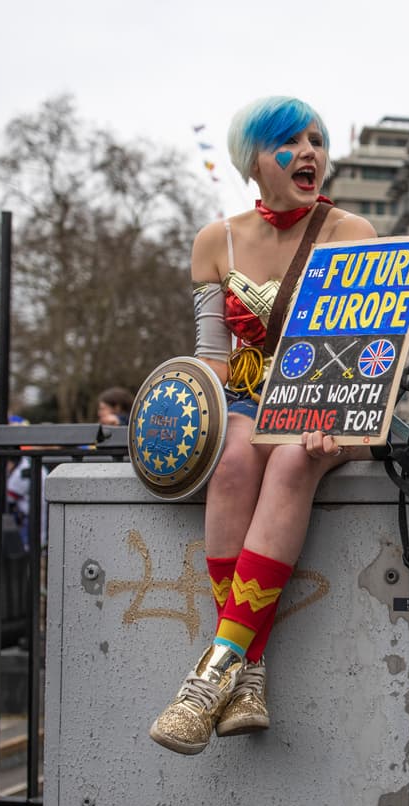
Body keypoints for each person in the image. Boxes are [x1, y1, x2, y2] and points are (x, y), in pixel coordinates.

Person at [149, 96, 377, 755]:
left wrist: (332, 413)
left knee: (288, 458)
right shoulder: (213, 242)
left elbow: (366, 347)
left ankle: (207, 677)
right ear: (254, 160)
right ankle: (247, 676)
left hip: (331, 411)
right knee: (236, 457)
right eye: (290, 142)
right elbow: (212, 358)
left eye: (317, 139)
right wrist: (186, 420)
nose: (310, 152)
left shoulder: (351, 232)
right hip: (249, 411)